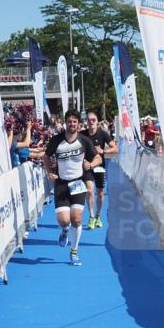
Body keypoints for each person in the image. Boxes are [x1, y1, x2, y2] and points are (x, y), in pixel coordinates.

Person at [44, 110, 100, 266]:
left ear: (78, 124)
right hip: (61, 184)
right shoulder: (56, 140)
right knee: (64, 221)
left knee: (76, 219)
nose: (72, 124)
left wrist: (92, 164)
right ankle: (65, 231)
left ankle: (74, 252)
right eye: (69, 121)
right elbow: (46, 157)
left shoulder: (84, 140)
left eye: (75, 122)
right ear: (65, 122)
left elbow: (97, 157)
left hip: (78, 183)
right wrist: (49, 172)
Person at [80, 111, 117, 228]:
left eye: (93, 120)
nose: (91, 122)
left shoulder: (103, 134)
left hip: (99, 166)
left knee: (100, 193)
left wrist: (104, 151)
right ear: (86, 121)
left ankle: (97, 216)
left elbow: (115, 149)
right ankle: (91, 216)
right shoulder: (81, 134)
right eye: (89, 120)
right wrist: (82, 160)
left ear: (97, 121)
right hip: (87, 167)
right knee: (89, 190)